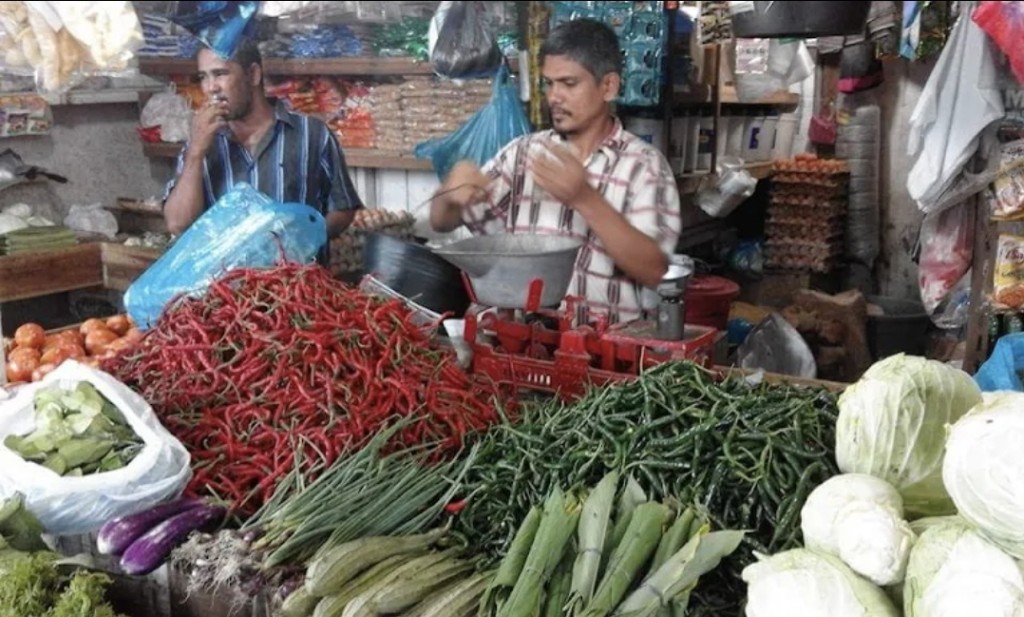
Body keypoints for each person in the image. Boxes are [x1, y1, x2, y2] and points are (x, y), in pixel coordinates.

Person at [428, 18, 682, 324]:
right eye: (549, 83)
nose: (554, 97)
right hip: (516, 336)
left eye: (569, 83)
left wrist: (585, 198)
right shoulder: (523, 153)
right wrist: (449, 194)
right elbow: (441, 223)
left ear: (608, 86)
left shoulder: (644, 167)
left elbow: (655, 271)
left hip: (601, 345)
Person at [162, 38, 363, 266]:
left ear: (253, 75)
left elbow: (343, 208)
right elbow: (178, 224)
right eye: (203, 77)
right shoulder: (200, 143)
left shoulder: (312, 135)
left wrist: (302, 242)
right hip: (225, 286)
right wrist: (196, 153)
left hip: (295, 283)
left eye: (220, 74)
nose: (211, 88)